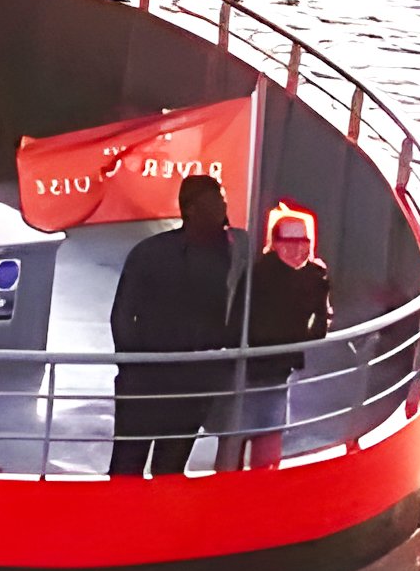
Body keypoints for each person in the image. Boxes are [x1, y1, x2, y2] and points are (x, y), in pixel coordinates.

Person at [108, 169, 243, 478]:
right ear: (192, 208)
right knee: (127, 465)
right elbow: (122, 314)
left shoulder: (233, 255)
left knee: (170, 469)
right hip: (144, 383)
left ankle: (159, 523)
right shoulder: (150, 253)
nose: (224, 207)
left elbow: (237, 312)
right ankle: (117, 522)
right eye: (216, 201)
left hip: (193, 383)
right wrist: (131, 364)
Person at [238, 200, 338, 466]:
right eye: (290, 243)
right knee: (255, 423)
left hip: (276, 362)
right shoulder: (260, 275)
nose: (297, 250)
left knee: (263, 422)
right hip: (256, 359)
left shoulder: (312, 277)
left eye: (302, 243)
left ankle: (256, 471)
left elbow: (319, 323)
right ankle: (255, 472)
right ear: (276, 243)